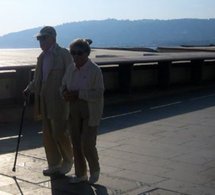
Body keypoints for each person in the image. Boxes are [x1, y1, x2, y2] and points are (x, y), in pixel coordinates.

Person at [23, 26, 74, 176]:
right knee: (47, 134)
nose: (41, 41)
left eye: (43, 38)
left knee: (60, 131)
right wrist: (29, 88)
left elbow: (71, 74)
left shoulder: (63, 54)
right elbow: (38, 79)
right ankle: (54, 164)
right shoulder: (42, 57)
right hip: (43, 98)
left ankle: (68, 160)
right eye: (39, 39)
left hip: (59, 99)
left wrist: (66, 91)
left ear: (53, 38)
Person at [61, 38, 104, 184]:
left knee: (87, 143)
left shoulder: (94, 70)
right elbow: (63, 84)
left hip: (89, 110)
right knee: (76, 143)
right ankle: (80, 174)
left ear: (87, 53)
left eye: (79, 53)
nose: (76, 56)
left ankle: (95, 169)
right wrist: (64, 92)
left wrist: (79, 94)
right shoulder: (70, 68)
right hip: (73, 109)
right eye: (73, 53)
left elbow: (98, 92)